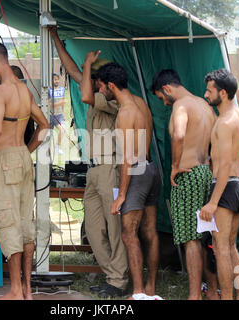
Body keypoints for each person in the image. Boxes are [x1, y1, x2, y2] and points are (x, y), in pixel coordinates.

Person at [49, 26, 129, 298]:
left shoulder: (112, 101)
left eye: (95, 78)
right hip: (94, 170)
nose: (91, 81)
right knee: (94, 230)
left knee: (114, 229)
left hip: (110, 168)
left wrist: (86, 66)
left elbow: (83, 90)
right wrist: (55, 39)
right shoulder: (95, 96)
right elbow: (74, 74)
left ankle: (118, 280)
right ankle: (111, 274)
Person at [0, 42, 49, 300]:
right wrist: (26, 151)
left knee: (8, 225)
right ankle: (28, 290)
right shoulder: (24, 90)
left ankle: (16, 290)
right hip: (22, 157)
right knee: (25, 225)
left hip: (5, 158)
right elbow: (45, 126)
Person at [92, 62, 160, 300]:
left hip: (137, 172)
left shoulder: (124, 114)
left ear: (111, 86)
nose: (100, 92)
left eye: (101, 87)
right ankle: (150, 288)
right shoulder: (141, 103)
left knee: (128, 234)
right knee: (150, 231)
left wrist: (121, 194)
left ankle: (139, 292)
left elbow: (127, 159)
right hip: (152, 169)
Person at [150, 69, 218, 300]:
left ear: (167, 89)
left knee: (190, 239)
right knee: (207, 235)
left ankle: (194, 296)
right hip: (207, 173)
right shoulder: (206, 106)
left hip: (188, 175)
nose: (164, 103)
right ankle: (211, 291)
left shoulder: (181, 105)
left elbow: (179, 135)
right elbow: (217, 138)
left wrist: (175, 166)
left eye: (161, 97)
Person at [200, 68, 239, 300]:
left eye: (210, 91)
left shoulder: (226, 122)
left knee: (221, 249)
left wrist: (212, 202)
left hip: (226, 186)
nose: (206, 94)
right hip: (238, 186)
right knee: (231, 247)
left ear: (224, 93)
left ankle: (228, 297)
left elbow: (226, 163)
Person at [48, 73, 66, 155]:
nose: (57, 81)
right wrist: (59, 103)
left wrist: (63, 113)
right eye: (55, 79)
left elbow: (63, 102)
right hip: (50, 115)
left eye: (57, 79)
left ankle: (57, 147)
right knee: (49, 134)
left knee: (62, 130)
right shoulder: (48, 90)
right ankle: (48, 149)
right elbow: (48, 104)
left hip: (59, 115)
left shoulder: (62, 89)